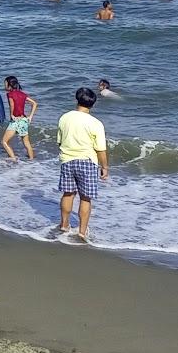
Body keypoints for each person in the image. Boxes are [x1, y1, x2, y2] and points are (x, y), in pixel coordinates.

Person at [56, 86, 109, 242]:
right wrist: (105, 167)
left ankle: (64, 225)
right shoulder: (95, 123)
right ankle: (81, 231)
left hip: (67, 160)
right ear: (93, 104)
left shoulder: (64, 117)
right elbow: (100, 149)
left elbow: (59, 141)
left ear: (77, 99)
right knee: (85, 198)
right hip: (87, 162)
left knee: (68, 193)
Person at [0, 75, 37, 161]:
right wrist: (30, 116)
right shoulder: (23, 94)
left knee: (4, 142)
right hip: (24, 120)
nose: (4, 86)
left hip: (15, 121)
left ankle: (13, 159)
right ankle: (32, 161)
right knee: (27, 143)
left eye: (5, 84)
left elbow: (12, 105)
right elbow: (35, 103)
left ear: (10, 85)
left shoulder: (10, 94)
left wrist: (12, 115)